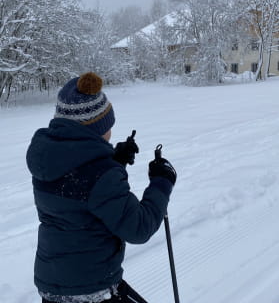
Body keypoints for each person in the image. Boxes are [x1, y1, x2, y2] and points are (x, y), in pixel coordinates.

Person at [26, 72, 177, 303]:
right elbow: (138, 227)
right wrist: (162, 182)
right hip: (92, 289)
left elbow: (79, 188)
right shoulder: (100, 174)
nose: (110, 132)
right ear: (93, 130)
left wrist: (114, 161)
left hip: (53, 285)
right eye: (108, 125)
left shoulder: (48, 159)